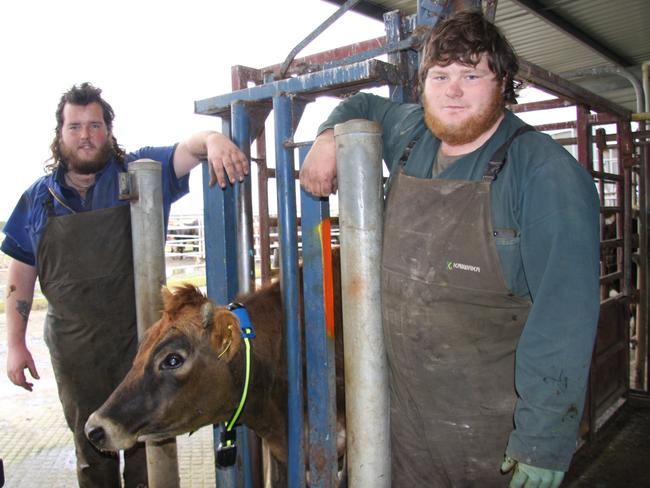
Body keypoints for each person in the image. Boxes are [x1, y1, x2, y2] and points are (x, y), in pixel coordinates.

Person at [300, 10, 600, 488]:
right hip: (400, 429)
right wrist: (327, 136)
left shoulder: (544, 174)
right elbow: (361, 104)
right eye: (440, 76)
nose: (453, 90)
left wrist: (542, 439)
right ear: (423, 85)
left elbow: (564, 315)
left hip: (490, 439)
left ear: (502, 82)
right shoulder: (411, 133)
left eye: (471, 74)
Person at [3, 82, 248, 488]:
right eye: (75, 126)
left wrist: (214, 139)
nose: (85, 135)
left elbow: (187, 149)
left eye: (95, 125)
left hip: (141, 346)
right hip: (75, 351)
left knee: (147, 449)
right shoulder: (37, 200)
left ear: (109, 131)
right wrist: (15, 344)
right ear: (59, 134)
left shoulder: (139, 172)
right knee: (91, 451)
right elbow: (20, 276)